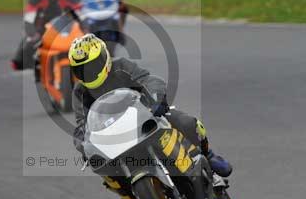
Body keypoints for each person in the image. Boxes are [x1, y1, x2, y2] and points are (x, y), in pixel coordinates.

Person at [69, 33, 232, 178]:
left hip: (143, 115)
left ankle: (208, 155)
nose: (87, 73)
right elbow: (82, 126)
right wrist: (85, 146)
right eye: (81, 70)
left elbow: (149, 80)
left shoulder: (121, 67)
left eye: (92, 66)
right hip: (113, 135)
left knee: (187, 122)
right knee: (104, 170)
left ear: (105, 58)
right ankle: (131, 194)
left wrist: (157, 100)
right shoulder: (80, 92)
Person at [11, 0, 81, 70]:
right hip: (42, 27)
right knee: (30, 39)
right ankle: (19, 60)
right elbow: (29, 16)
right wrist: (32, 31)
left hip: (65, 27)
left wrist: (84, 26)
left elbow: (80, 13)